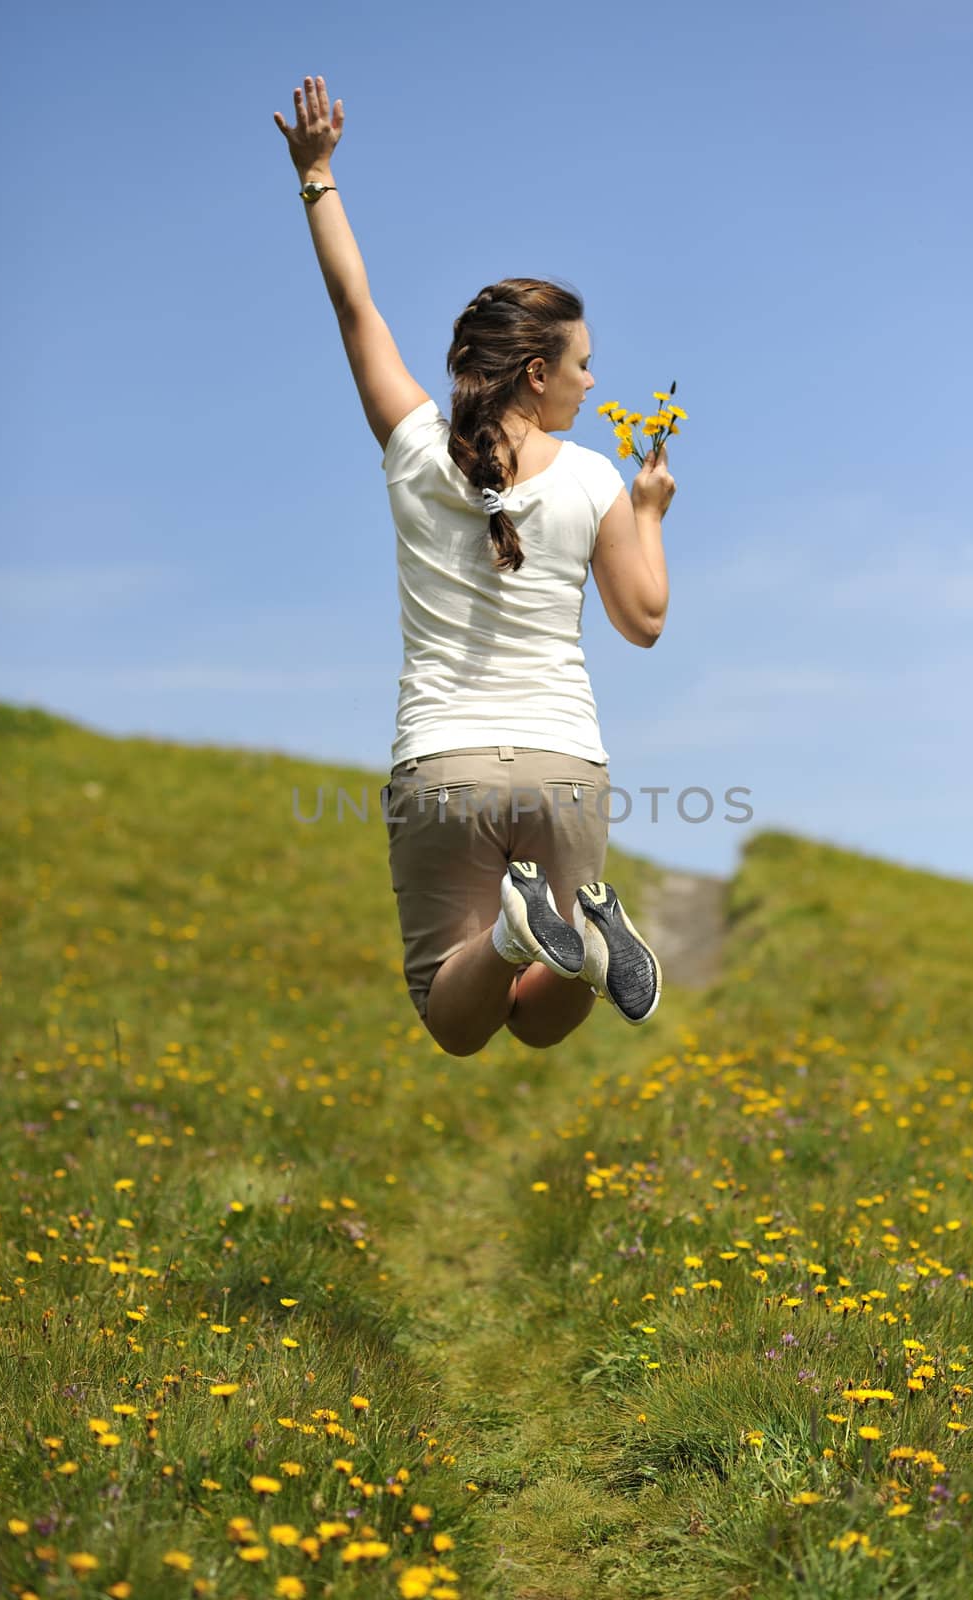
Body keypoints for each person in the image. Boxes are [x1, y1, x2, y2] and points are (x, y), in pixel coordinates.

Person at [275, 75, 676, 1058]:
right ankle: (573, 930)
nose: (593, 379)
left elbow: (352, 302)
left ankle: (514, 931)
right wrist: (651, 512)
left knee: (455, 1018)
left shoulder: (414, 446)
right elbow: (645, 619)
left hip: (442, 763)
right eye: (581, 362)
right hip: (564, 766)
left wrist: (317, 174)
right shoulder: (594, 478)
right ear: (537, 372)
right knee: (541, 1025)